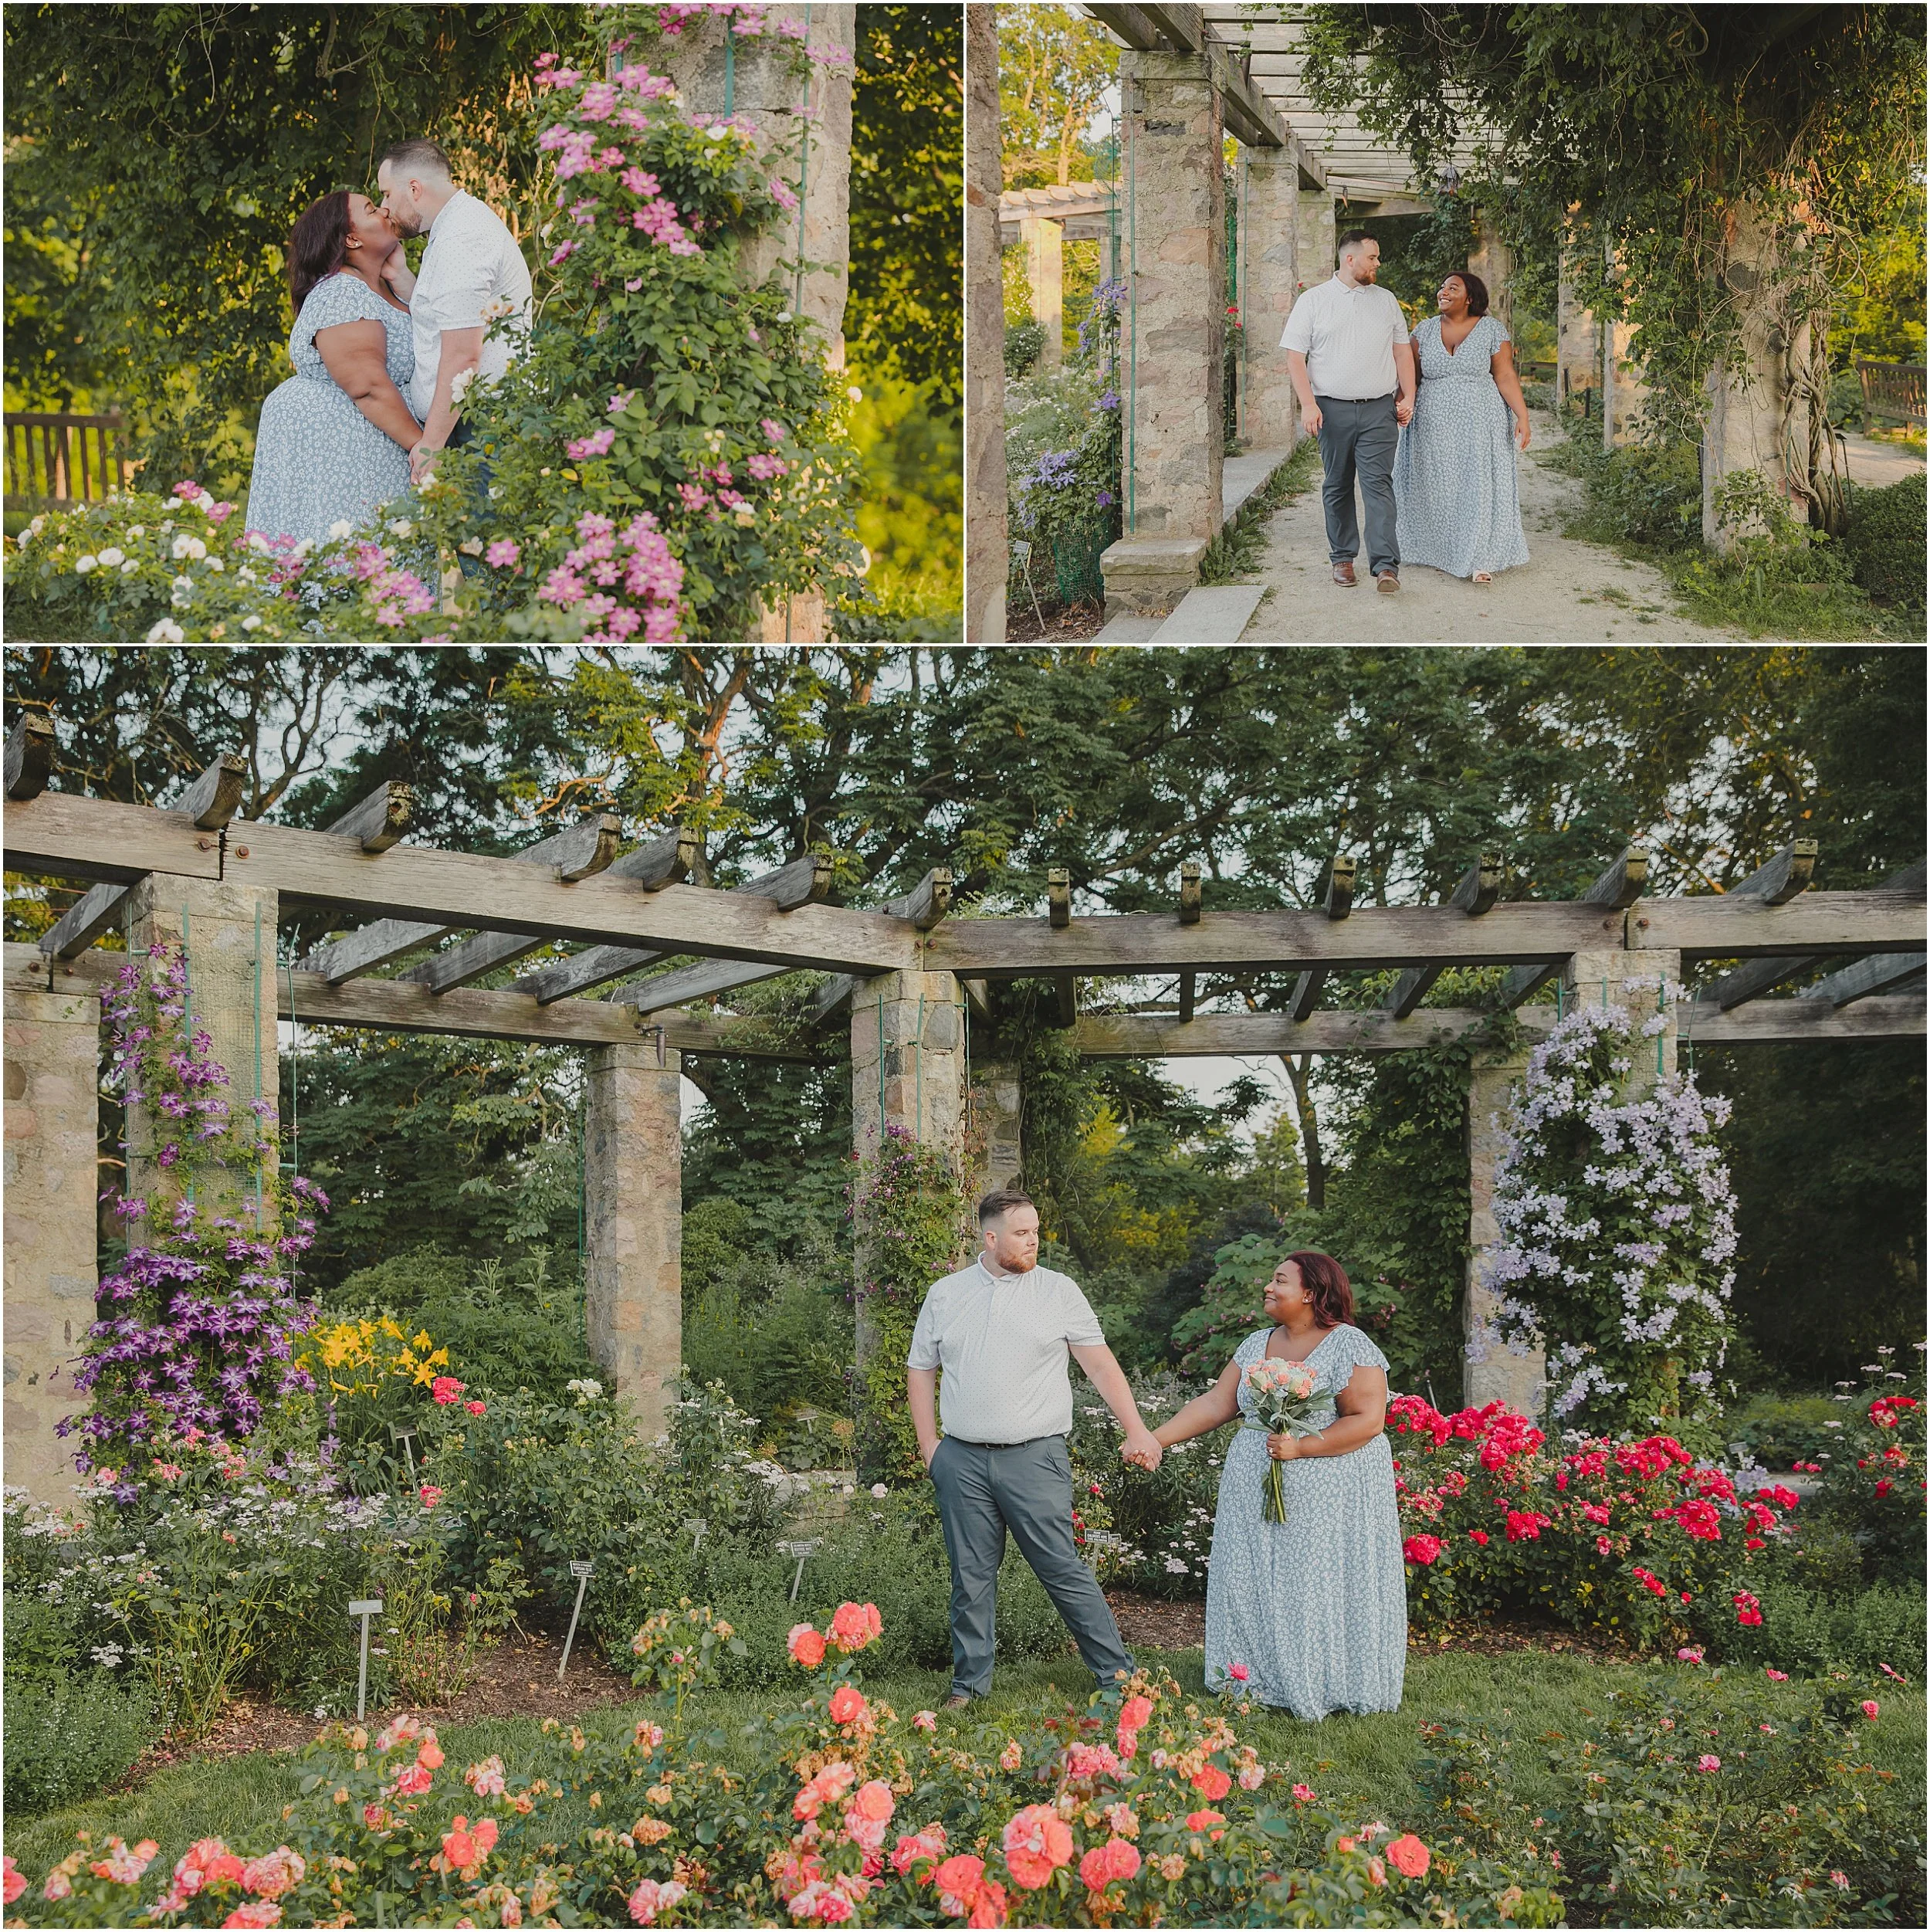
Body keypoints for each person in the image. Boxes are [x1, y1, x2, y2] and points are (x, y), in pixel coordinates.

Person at [908, 1188, 1164, 1708]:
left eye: (1037, 1231)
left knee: (1061, 1567)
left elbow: (1100, 1365)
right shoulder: (947, 1295)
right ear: (991, 1237)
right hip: (961, 1458)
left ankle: (1117, 1678)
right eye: (1023, 1233)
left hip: (1034, 1456)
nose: (1034, 1241)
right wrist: (930, 1444)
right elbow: (920, 1367)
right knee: (971, 1578)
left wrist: (1138, 1429)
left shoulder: (1058, 1291)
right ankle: (968, 1686)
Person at [1150, 1250, 1406, 1720]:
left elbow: (1369, 1421)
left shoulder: (1350, 1345)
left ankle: (1320, 1680)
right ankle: (1253, 1678)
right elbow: (1216, 1403)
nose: (1268, 1287)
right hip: (1254, 1482)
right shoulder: (1255, 1345)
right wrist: (1156, 1439)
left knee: (1310, 1584)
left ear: (1311, 1293)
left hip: (1326, 1492)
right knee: (1252, 1577)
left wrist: (1303, 1449)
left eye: (1279, 1280)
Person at [245, 192, 419, 546]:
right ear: (351, 238)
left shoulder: (386, 290)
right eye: (371, 209)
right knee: (354, 573)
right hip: (341, 462)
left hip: (373, 456)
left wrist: (401, 275)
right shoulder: (341, 293)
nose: (385, 210)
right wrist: (424, 448)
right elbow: (367, 385)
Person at [374, 137, 533, 484]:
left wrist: (431, 444)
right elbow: (451, 319)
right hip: (473, 420)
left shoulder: (461, 239)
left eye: (386, 194)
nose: (384, 207)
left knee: (486, 535)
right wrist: (401, 277)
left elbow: (463, 355)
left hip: (485, 426)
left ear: (414, 188)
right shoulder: (452, 228)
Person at [1282, 229, 1417, 594]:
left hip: (1379, 410)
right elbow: (1295, 357)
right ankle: (1342, 559)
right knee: (1338, 484)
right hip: (1331, 409)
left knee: (1378, 486)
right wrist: (1308, 405)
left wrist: (1410, 396)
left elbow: (1402, 351)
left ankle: (1386, 567)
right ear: (1350, 259)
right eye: (1373, 257)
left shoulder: (1386, 300)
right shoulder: (1313, 301)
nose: (1378, 263)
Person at [1393, 270, 1532, 584]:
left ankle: (1479, 558)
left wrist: (1522, 415)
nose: (1443, 291)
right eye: (1442, 287)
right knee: (1437, 487)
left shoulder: (1492, 330)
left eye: (1452, 288)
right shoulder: (1425, 331)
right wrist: (1401, 406)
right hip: (1433, 426)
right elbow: (1409, 377)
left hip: (1481, 425)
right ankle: (1441, 550)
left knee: (1478, 488)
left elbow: (1505, 376)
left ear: (1470, 298)